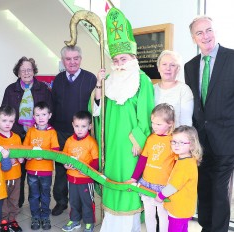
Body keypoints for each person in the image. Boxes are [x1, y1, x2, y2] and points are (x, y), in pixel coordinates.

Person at [93, 7, 154, 232]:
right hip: (110, 142)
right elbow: (98, 110)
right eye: (116, 59)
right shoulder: (107, 79)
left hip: (130, 147)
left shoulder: (143, 80)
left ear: (133, 57)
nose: (119, 63)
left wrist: (138, 139)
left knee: (128, 184)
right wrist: (99, 86)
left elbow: (147, 113)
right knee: (112, 182)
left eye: (123, 58)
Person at [184, 15, 234, 232]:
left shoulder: (232, 58)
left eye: (209, 30)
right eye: (200, 33)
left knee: (220, 190)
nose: (206, 36)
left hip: (227, 139)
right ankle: (206, 227)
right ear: (193, 38)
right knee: (203, 188)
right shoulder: (190, 66)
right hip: (200, 141)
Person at [51, 46, 97, 216]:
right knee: (62, 168)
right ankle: (61, 201)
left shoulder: (91, 79)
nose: (72, 62)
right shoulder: (58, 79)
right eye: (68, 59)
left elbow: (96, 106)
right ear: (63, 61)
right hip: (62, 132)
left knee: (83, 166)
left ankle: (84, 202)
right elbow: (54, 104)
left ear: (81, 59)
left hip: (84, 134)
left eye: (76, 58)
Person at [2, 56, 53, 208]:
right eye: (22, 70)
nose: (26, 72)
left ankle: (35, 203)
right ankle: (17, 202)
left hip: (37, 135)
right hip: (17, 135)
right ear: (18, 73)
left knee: (33, 170)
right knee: (18, 169)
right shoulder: (10, 89)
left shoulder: (43, 88)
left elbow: (49, 109)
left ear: (34, 71)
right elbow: (5, 111)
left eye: (29, 69)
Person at [126, 103, 176, 232]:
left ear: (170, 123)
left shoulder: (174, 141)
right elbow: (142, 160)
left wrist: (173, 186)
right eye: (152, 122)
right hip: (146, 184)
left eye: (158, 124)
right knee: (149, 215)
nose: (154, 126)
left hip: (163, 187)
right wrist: (133, 178)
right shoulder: (151, 138)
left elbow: (177, 166)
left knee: (163, 216)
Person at [156, 125, 202, 232]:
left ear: (192, 145)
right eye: (174, 141)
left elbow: (173, 186)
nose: (176, 145)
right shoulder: (188, 159)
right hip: (185, 208)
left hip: (179, 209)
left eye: (181, 142)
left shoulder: (185, 166)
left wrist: (160, 196)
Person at [23, 101, 59, 230]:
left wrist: (43, 156)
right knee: (33, 195)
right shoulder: (31, 131)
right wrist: (28, 155)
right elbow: (25, 149)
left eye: (44, 114)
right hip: (31, 170)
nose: (41, 118)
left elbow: (55, 152)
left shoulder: (52, 132)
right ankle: (35, 216)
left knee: (45, 194)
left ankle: (45, 216)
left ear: (49, 115)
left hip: (46, 172)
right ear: (33, 117)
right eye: (37, 115)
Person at [61, 111, 98, 232]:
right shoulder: (69, 141)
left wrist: (87, 171)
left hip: (86, 180)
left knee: (87, 202)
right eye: (77, 126)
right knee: (73, 201)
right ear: (73, 125)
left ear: (90, 126)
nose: (80, 129)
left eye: (83, 126)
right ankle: (75, 221)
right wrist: (66, 165)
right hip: (71, 179)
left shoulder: (91, 142)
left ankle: (89, 222)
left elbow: (96, 161)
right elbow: (64, 157)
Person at [0, 106, 24, 232]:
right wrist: (6, 159)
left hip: (16, 175)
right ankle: (4, 221)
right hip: (2, 177)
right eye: (4, 120)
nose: (8, 124)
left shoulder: (17, 137)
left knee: (14, 199)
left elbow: (21, 154)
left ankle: (12, 219)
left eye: (11, 121)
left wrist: (21, 158)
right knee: (3, 200)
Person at [154, 50, 193, 127]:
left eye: (172, 65)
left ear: (178, 69)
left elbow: (186, 123)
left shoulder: (184, 90)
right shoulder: (151, 89)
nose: (168, 68)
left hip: (176, 137)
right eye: (164, 64)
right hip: (153, 137)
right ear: (158, 68)